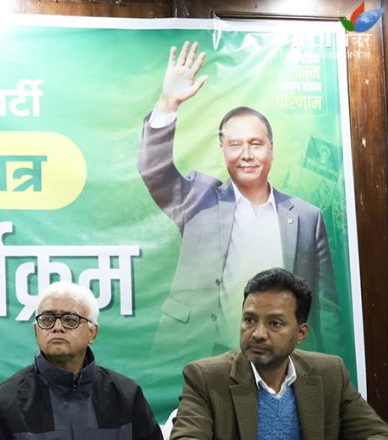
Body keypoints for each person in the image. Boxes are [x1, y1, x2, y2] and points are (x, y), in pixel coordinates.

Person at [138, 40, 340, 359]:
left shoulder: (306, 217)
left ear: (271, 148)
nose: (246, 154)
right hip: (202, 355)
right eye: (235, 145)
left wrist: (334, 370)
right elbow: (154, 169)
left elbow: (325, 309)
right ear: (223, 151)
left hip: (281, 359)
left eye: (256, 144)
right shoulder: (198, 199)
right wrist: (168, 102)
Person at [167, 268, 388, 440]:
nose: (258, 334)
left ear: (301, 333)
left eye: (275, 323)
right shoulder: (206, 376)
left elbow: (383, 437)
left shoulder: (329, 373)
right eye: (249, 320)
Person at [0, 282, 167, 440]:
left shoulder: (127, 396)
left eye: (70, 319)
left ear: (92, 332)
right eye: (47, 319)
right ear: (36, 331)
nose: (57, 327)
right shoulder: (2, 402)